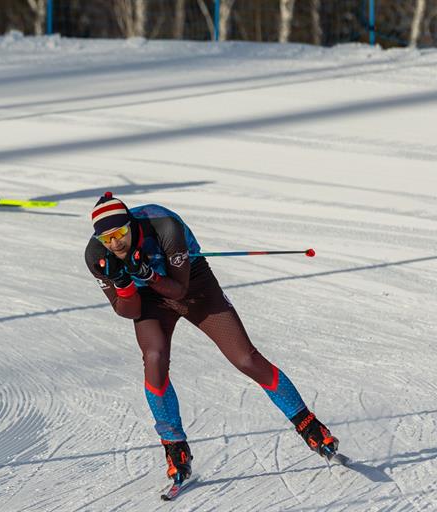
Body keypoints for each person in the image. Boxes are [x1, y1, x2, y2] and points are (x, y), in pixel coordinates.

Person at [84, 192, 338, 483]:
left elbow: (179, 290)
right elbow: (126, 310)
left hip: (193, 284)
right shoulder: (96, 256)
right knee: (154, 359)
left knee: (245, 358)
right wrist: (124, 283)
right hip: (148, 299)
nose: (114, 243)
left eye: (119, 233)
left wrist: (149, 274)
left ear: (130, 224)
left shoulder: (164, 225)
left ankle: (307, 423)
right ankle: (174, 445)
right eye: (107, 239)